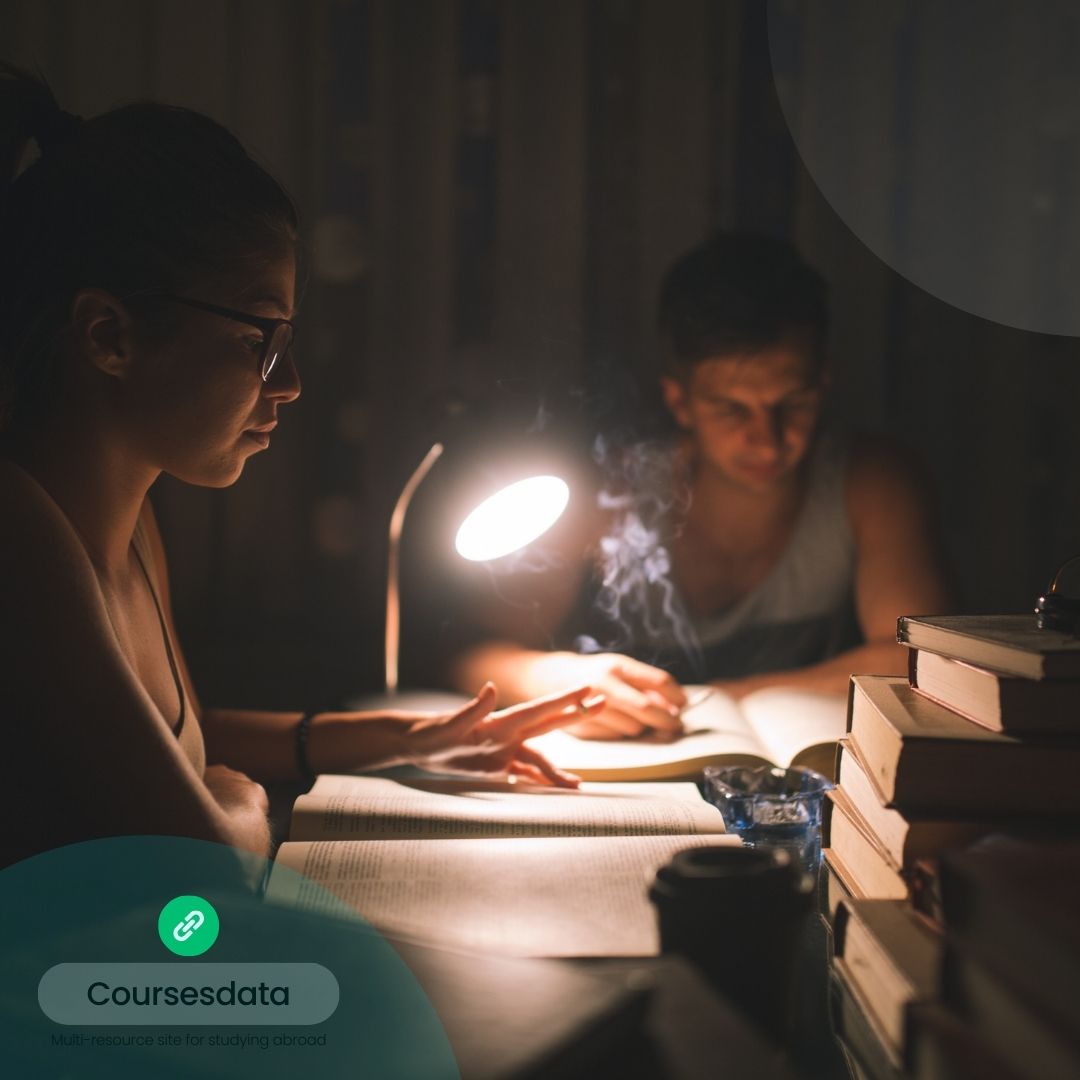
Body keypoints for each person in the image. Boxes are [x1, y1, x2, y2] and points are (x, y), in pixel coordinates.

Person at [0, 65, 603, 872]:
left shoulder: (130, 518)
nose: (288, 385)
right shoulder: (20, 532)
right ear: (110, 335)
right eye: (260, 340)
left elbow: (175, 744)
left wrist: (407, 739)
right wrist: (235, 801)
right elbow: (208, 859)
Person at [450, 231, 954, 738]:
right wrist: (556, 676)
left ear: (822, 384)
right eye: (731, 409)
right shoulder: (609, 494)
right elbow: (472, 653)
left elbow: (923, 662)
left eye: (793, 403)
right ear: (679, 401)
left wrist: (720, 699)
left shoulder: (871, 483)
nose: (767, 439)